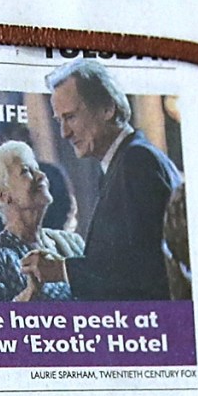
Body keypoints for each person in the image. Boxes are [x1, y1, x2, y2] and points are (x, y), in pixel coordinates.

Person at [21, 61, 182, 302]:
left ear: (108, 108)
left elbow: (144, 275)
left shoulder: (136, 162)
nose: (65, 132)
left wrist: (62, 270)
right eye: (59, 121)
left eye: (71, 117)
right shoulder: (124, 162)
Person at [0, 141, 83, 303]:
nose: (41, 176)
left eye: (37, 169)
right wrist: (29, 296)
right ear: (2, 194)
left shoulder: (72, 242)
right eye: (26, 171)